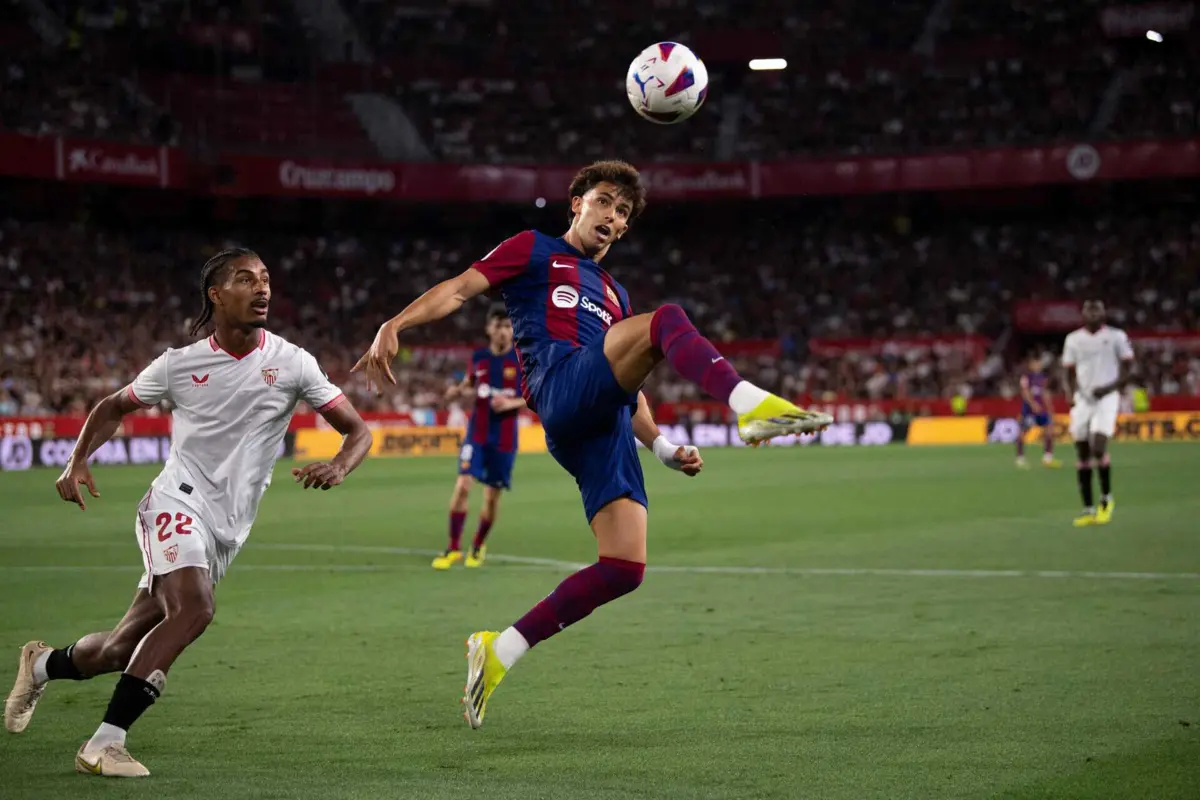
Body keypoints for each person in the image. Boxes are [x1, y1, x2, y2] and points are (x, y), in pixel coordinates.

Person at [353, 160, 831, 728]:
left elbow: (629, 386)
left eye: (623, 212)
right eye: (604, 201)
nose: (613, 216)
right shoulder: (534, 249)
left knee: (624, 567)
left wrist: (662, 448)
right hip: (559, 385)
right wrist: (395, 324)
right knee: (667, 320)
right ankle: (748, 404)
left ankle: (499, 650)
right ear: (577, 202)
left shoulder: (615, 294)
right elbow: (459, 290)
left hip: (603, 422)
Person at [4, 248, 372, 777]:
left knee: (118, 649)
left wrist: (339, 465)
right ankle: (104, 743)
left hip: (227, 528)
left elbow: (358, 431)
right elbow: (113, 407)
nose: (262, 288)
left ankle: (40, 664)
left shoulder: (294, 362)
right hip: (175, 501)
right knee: (195, 608)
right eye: (246, 279)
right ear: (216, 295)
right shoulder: (178, 364)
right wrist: (77, 459)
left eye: (266, 278)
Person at [434, 304, 525, 570]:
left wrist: (510, 404)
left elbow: (534, 396)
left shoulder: (521, 360)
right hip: (477, 434)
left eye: (507, 326)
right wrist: (456, 391)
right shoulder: (479, 357)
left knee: (491, 497)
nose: (503, 331)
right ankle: (453, 548)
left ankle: (477, 545)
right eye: (498, 326)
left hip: (505, 438)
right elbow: (469, 384)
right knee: (463, 485)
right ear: (489, 329)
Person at [1062, 299, 1135, 527]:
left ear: (1104, 313)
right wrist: (1070, 393)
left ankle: (1106, 499)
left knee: (1098, 447)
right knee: (1082, 453)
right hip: (1083, 399)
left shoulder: (1116, 337)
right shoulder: (1073, 339)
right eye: (1089, 311)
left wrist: (1110, 388)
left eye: (1097, 310)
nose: (1093, 314)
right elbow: (1068, 371)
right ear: (1083, 314)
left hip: (1107, 398)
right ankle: (1087, 509)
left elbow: (1129, 368)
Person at [1016, 354, 1061, 469]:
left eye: (1039, 363)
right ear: (1031, 365)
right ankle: (1020, 458)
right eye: (1035, 363)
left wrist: (1050, 408)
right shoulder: (1026, 377)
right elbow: (1025, 392)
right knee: (1023, 433)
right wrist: (1033, 404)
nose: (1038, 365)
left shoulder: (1043, 377)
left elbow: (1045, 393)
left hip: (1041, 410)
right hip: (1029, 411)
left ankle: (1047, 458)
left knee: (1049, 429)